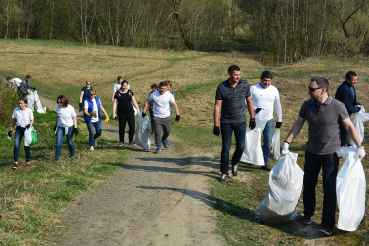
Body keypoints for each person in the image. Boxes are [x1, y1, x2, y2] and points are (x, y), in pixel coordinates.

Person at [282, 76, 365, 236]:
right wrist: (287, 142)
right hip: (311, 152)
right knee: (309, 185)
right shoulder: (307, 105)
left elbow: (348, 126)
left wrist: (359, 146)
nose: (309, 91)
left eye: (312, 89)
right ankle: (307, 214)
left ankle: (327, 224)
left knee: (329, 189)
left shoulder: (337, 106)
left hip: (331, 154)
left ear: (323, 90)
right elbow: (298, 124)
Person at [213, 65, 256, 182]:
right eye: (236, 75)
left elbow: (249, 101)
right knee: (226, 147)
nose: (238, 77)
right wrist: (216, 125)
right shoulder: (222, 87)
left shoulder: (245, 84)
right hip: (226, 122)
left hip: (241, 121)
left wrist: (253, 118)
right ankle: (224, 172)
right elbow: (217, 106)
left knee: (241, 146)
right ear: (229, 74)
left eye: (239, 75)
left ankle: (235, 162)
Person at [249, 71, 282, 171]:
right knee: (254, 140)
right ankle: (252, 159)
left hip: (269, 120)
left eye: (269, 81)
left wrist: (279, 119)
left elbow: (277, 105)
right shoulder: (253, 89)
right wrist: (255, 109)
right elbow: (246, 102)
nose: (266, 83)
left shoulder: (274, 90)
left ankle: (265, 161)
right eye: (265, 80)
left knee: (268, 141)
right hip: (256, 119)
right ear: (261, 79)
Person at [142, 81, 180, 153]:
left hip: (166, 116)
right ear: (159, 87)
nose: (163, 90)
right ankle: (158, 147)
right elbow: (147, 102)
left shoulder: (169, 95)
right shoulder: (154, 94)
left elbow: (174, 104)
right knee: (157, 132)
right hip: (157, 116)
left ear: (166, 89)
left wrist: (177, 114)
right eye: (161, 88)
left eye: (164, 89)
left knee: (167, 131)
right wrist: (144, 112)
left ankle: (164, 139)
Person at [335, 71, 362, 146]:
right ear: (347, 79)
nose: (355, 82)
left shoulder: (351, 86)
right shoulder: (344, 89)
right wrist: (355, 110)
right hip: (341, 115)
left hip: (346, 114)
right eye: (353, 80)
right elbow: (346, 105)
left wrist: (356, 104)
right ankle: (341, 149)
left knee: (344, 131)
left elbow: (349, 99)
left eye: (356, 80)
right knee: (343, 131)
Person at [8, 97, 34, 169]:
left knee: (26, 146)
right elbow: (14, 120)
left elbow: (32, 120)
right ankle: (15, 163)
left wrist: (30, 124)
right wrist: (11, 129)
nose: (20, 105)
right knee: (16, 145)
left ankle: (28, 162)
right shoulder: (16, 110)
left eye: (22, 103)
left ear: (25, 103)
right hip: (19, 129)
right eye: (19, 103)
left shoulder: (29, 111)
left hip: (26, 129)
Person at [114, 80, 140, 146]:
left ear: (127, 86)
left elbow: (134, 101)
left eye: (126, 86)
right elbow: (115, 103)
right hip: (121, 113)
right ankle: (121, 141)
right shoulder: (117, 93)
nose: (125, 87)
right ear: (121, 86)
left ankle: (131, 140)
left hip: (130, 112)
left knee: (132, 126)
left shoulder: (130, 92)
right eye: (123, 86)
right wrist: (114, 113)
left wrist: (138, 109)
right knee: (122, 127)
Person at [54, 95, 78, 161]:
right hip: (60, 127)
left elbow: (74, 117)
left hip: (69, 127)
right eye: (58, 102)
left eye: (60, 102)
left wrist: (75, 128)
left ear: (64, 101)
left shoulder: (70, 108)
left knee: (70, 142)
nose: (59, 104)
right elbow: (57, 116)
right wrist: (55, 125)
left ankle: (72, 155)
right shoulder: (58, 108)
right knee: (59, 143)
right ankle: (57, 158)